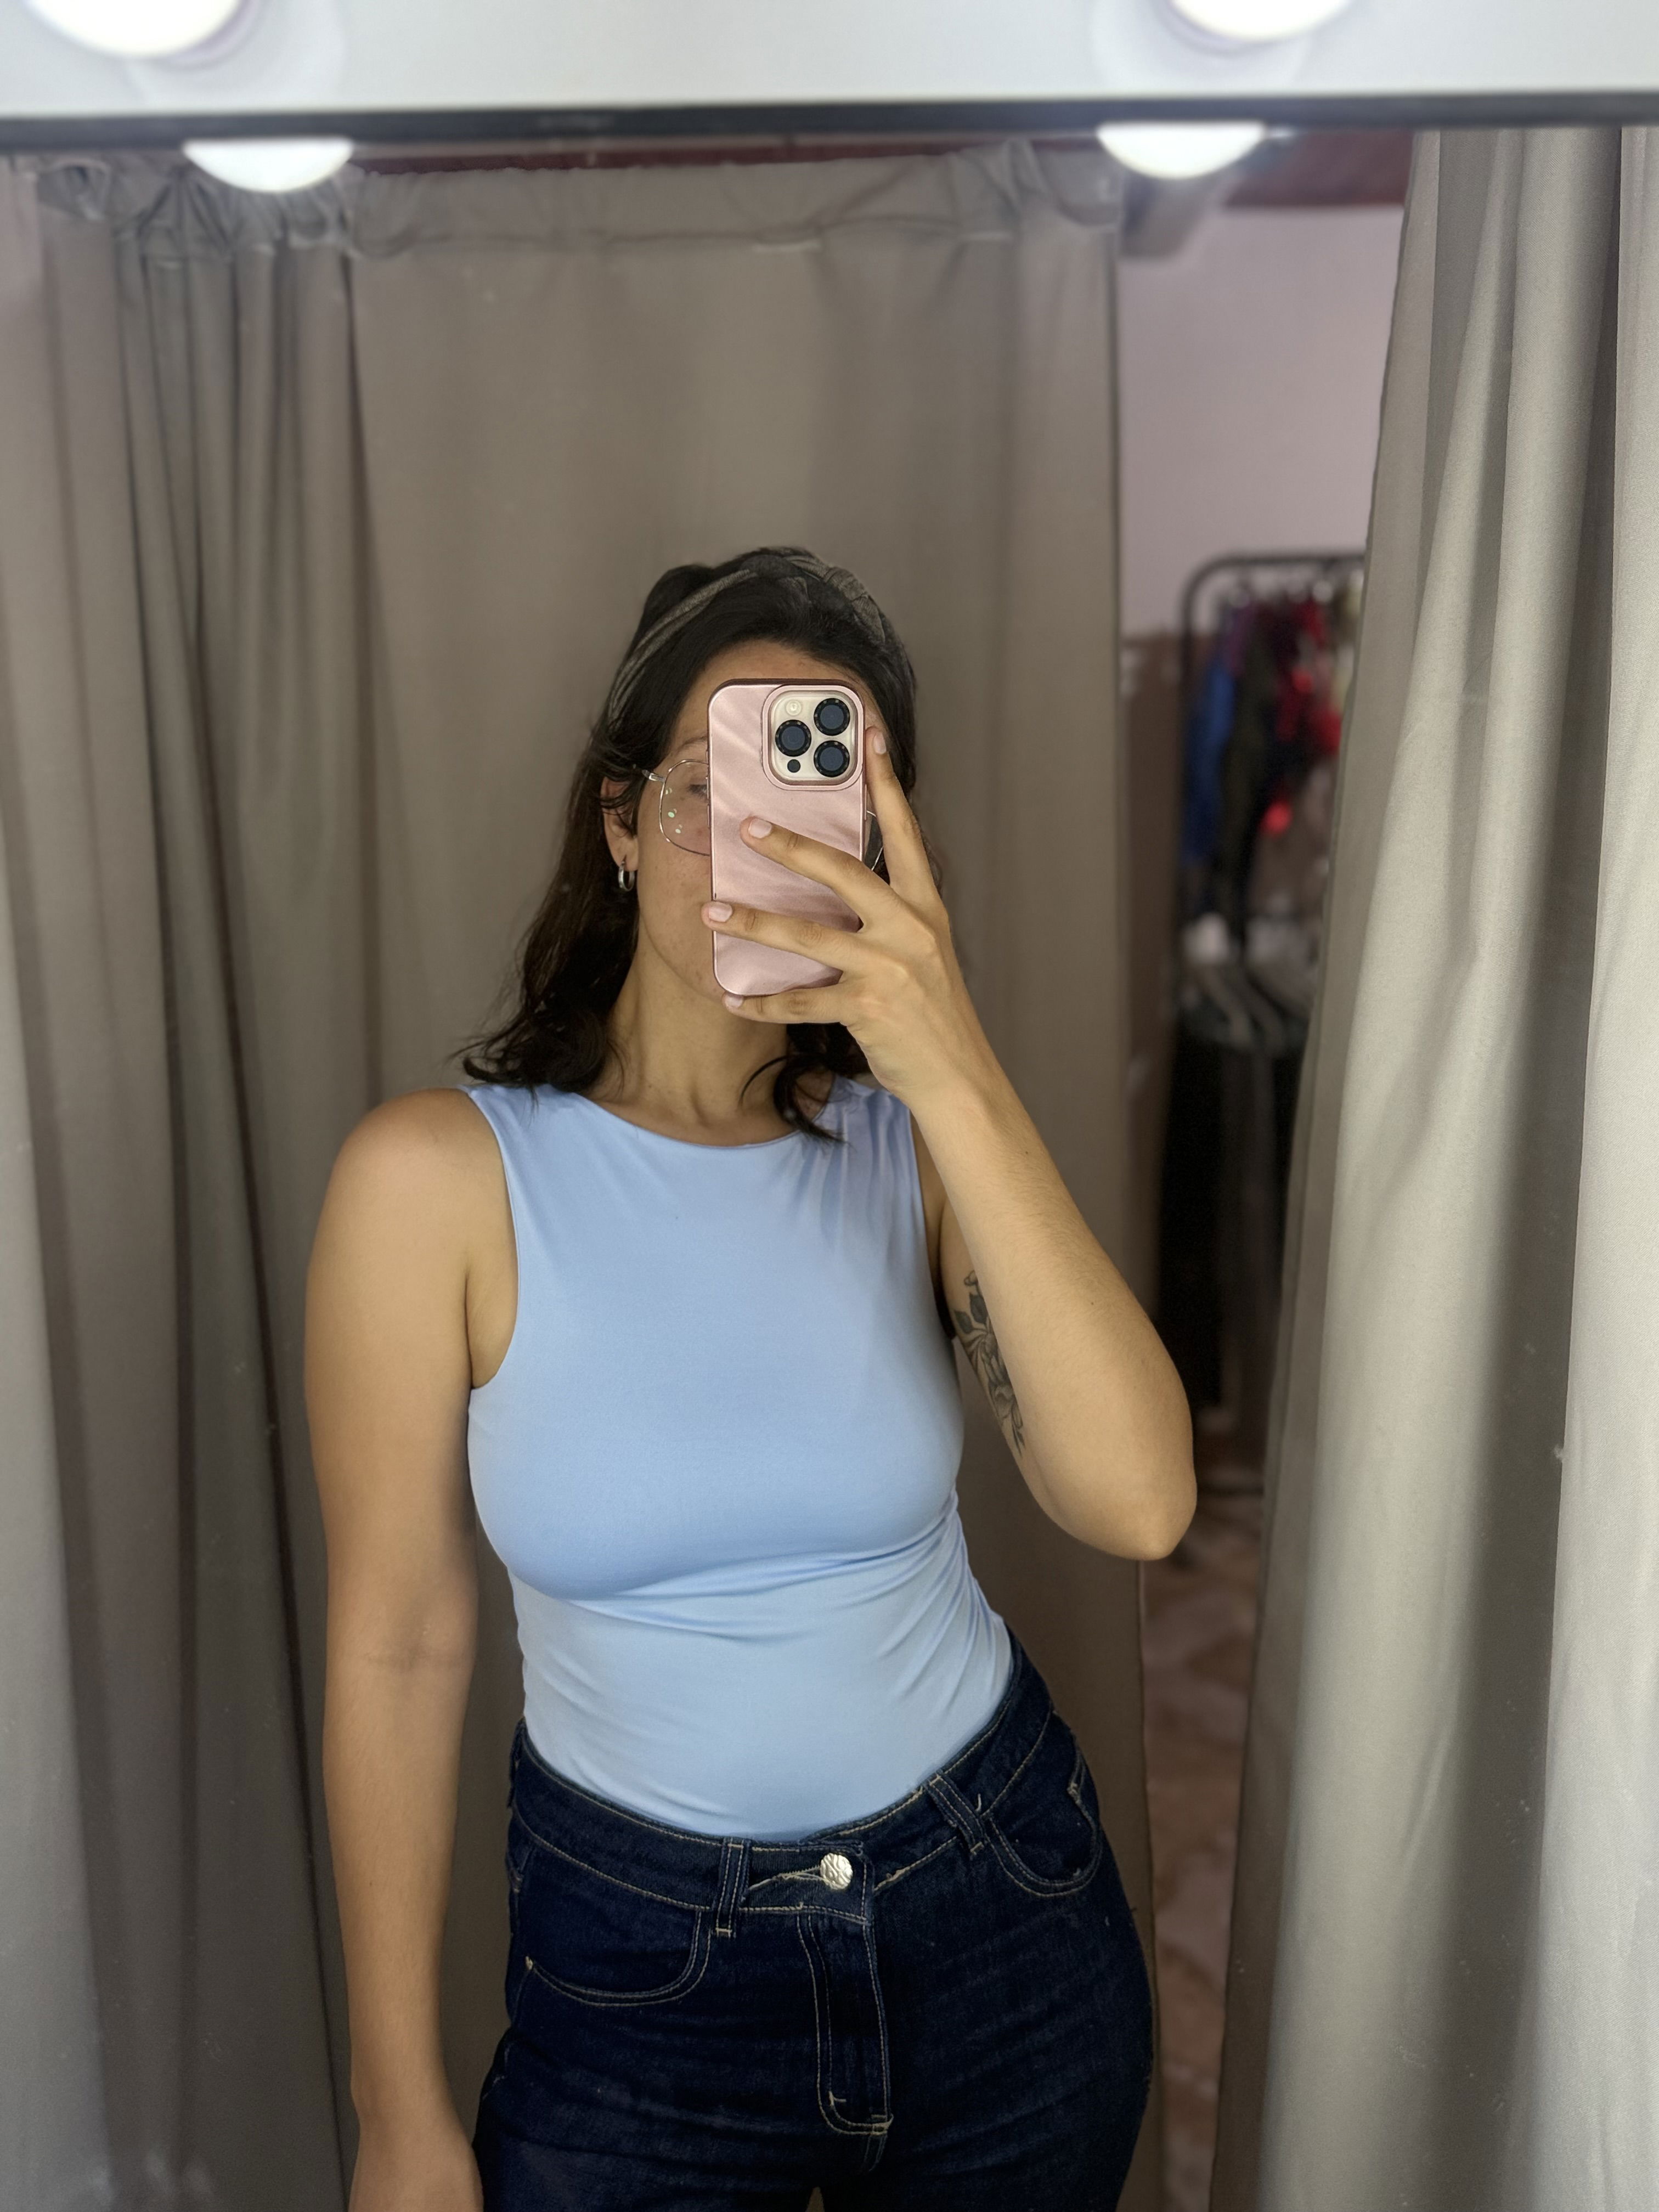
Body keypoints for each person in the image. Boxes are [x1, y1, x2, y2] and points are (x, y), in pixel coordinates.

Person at [306, 547, 1195, 2212]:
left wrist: (949, 1060)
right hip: (638, 1985)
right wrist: (396, 2106)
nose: (761, 847)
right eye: (714, 789)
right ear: (622, 819)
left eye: (817, 795)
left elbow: (1140, 1501)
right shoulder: (434, 1184)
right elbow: (398, 1641)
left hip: (999, 1921)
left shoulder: (918, 1151)